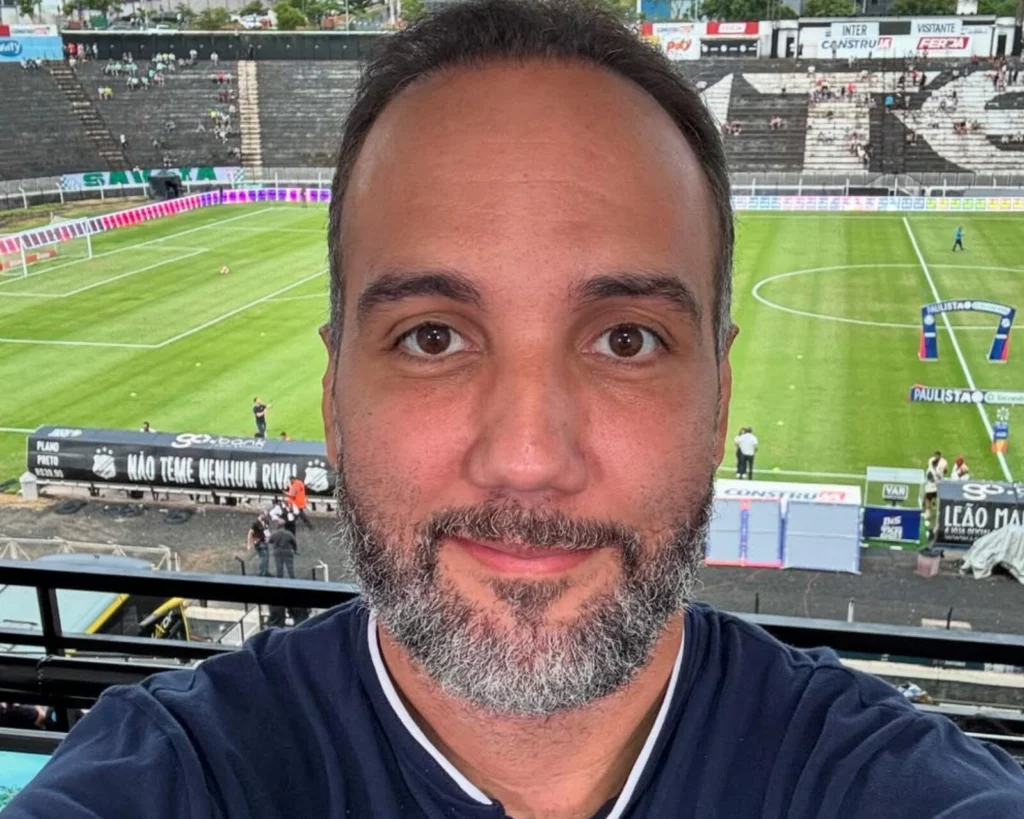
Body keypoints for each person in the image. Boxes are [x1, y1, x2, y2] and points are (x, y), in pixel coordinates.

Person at [8, 2, 1024, 818]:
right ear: (332, 399)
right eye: (431, 338)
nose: (529, 456)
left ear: (719, 400)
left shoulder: (896, 788)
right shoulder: (175, 778)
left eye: (625, 340)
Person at [924, 450, 947, 521]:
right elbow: (945, 471)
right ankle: (937, 512)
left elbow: (931, 479)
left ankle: (928, 513)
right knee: (936, 499)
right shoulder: (941, 466)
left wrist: (934, 480)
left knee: (928, 498)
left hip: (932, 487)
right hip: (938, 486)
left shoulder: (930, 470)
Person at [246, 511, 270, 577]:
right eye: (265, 515)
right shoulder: (255, 523)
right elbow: (250, 533)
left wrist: (268, 537)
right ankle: (261, 573)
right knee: (263, 557)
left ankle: (265, 572)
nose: (266, 517)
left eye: (266, 515)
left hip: (265, 541)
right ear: (261, 514)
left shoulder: (266, 522)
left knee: (267, 557)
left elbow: (266, 530)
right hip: (259, 542)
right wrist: (249, 544)